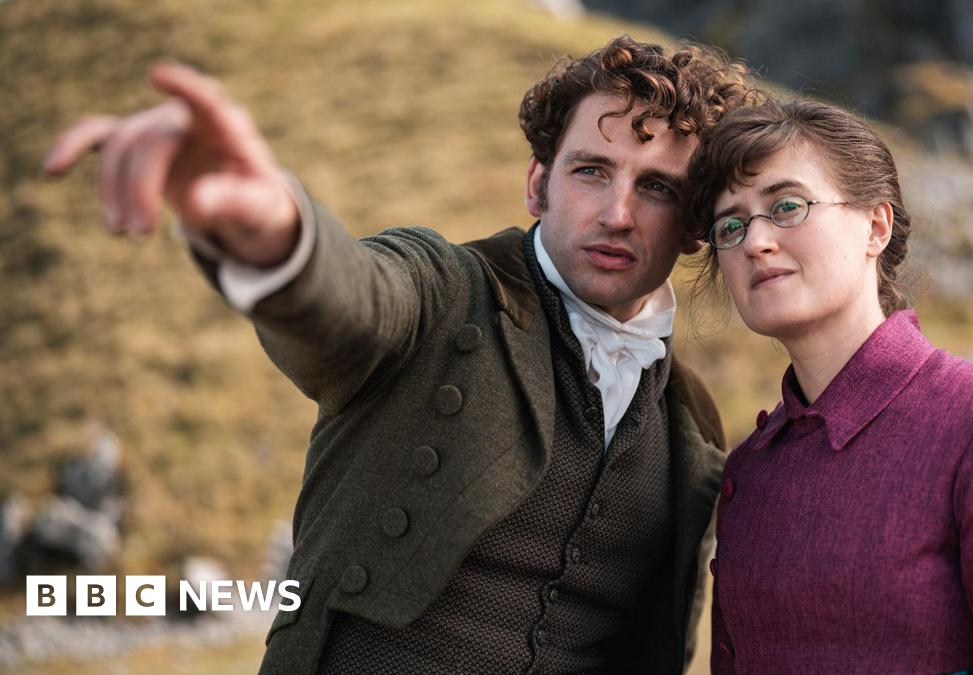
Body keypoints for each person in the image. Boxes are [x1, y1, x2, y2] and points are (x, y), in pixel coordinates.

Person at [44, 36, 754, 674]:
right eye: (592, 171)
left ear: (695, 224)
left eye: (656, 187)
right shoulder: (444, 292)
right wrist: (275, 233)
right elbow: (352, 296)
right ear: (538, 183)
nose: (618, 212)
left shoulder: (690, 427)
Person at [687, 99, 973, 673]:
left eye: (787, 206)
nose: (754, 242)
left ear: (876, 225)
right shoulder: (751, 470)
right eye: (731, 225)